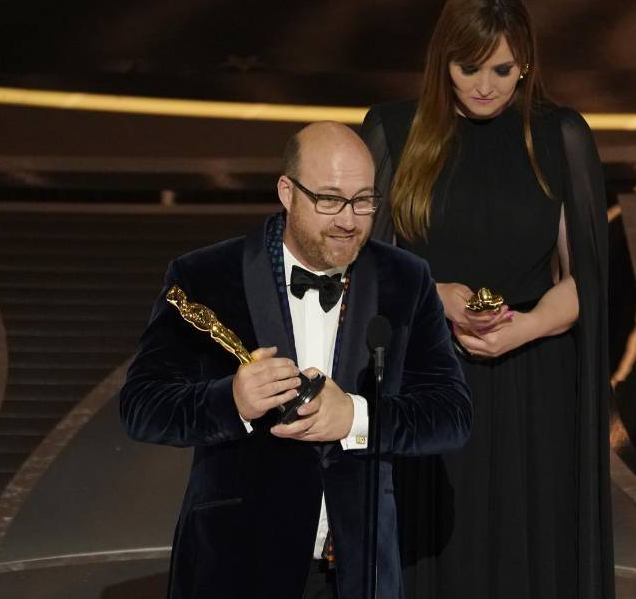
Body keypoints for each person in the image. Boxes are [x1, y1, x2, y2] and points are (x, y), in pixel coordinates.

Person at [121, 122, 472, 599]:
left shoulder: (406, 280)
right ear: (286, 191)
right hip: (235, 567)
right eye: (328, 199)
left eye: (364, 200)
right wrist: (233, 402)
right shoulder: (204, 276)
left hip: (358, 572)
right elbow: (142, 405)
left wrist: (355, 417)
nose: (349, 220)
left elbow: (451, 415)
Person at [360, 0, 613, 599]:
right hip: (427, 375)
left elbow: (586, 282)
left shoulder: (562, 136)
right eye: (467, 66)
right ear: (442, 61)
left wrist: (525, 327)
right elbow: (360, 265)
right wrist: (434, 297)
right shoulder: (394, 130)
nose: (483, 84)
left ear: (525, 63)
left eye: (501, 68)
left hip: (533, 383)